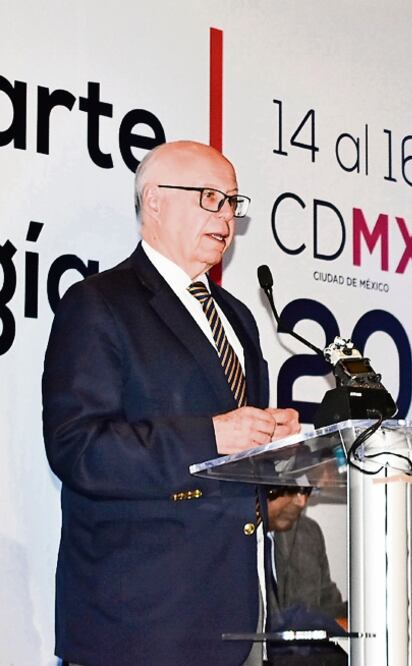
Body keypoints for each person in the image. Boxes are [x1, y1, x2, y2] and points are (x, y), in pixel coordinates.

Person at [42, 140, 299, 665]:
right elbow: (77, 448)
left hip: (240, 617)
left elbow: (236, 454)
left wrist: (273, 444)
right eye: (210, 197)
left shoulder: (238, 317)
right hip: (140, 624)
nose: (226, 216)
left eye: (232, 202)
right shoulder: (99, 303)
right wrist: (213, 436)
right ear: (155, 201)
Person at [267, 486, 347, 626]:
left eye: (306, 491)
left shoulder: (308, 532)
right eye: (292, 489)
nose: (302, 502)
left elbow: (330, 606)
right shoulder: (231, 540)